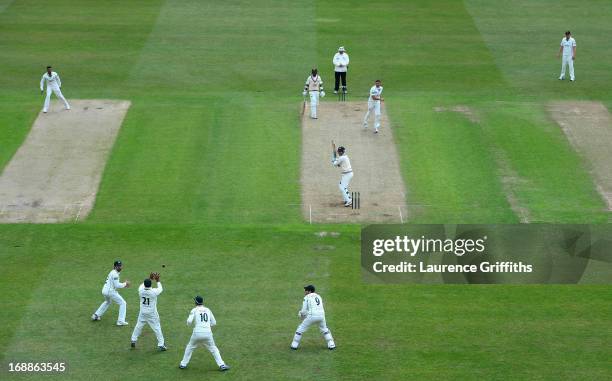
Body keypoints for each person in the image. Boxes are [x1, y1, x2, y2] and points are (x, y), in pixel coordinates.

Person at [179, 296, 230, 371]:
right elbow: (214, 323)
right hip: (208, 333)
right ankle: (222, 365)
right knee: (213, 348)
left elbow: (189, 322)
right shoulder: (208, 310)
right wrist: (206, 326)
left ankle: (183, 364)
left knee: (189, 347)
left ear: (195, 302)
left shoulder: (194, 310)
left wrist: (189, 324)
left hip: (197, 333)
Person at [290, 285, 336, 350]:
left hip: (312, 316)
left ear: (309, 291)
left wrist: (301, 315)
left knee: (300, 329)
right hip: (321, 316)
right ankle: (331, 344)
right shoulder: (319, 296)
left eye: (305, 290)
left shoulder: (306, 297)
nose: (304, 291)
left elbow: (303, 310)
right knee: (324, 329)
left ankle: (294, 345)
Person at [130, 274, 166, 351]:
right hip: (152, 313)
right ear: (151, 284)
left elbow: (142, 285)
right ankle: (161, 345)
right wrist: (158, 280)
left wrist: (149, 278)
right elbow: (161, 289)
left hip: (142, 312)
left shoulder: (140, 290)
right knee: (157, 328)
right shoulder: (154, 292)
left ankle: (133, 339)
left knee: (138, 326)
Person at [92, 260, 130, 326]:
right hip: (110, 292)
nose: (120, 267)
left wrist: (124, 284)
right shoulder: (115, 274)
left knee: (107, 302)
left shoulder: (113, 272)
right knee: (123, 303)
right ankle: (120, 321)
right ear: (114, 267)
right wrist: (125, 284)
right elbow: (117, 285)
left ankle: (96, 315)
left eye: (120, 266)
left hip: (104, 290)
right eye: (118, 266)